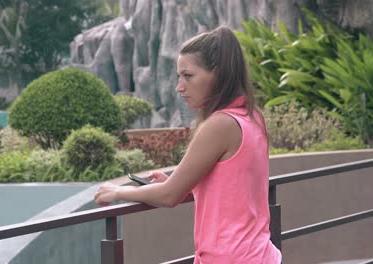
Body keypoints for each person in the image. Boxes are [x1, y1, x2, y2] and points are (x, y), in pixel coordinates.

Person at [94, 25, 282, 264]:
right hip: (262, 256)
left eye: (188, 76)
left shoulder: (220, 125)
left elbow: (169, 196)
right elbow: (233, 187)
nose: (179, 86)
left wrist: (119, 191)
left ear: (218, 73)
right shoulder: (252, 116)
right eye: (178, 76)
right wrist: (183, 183)